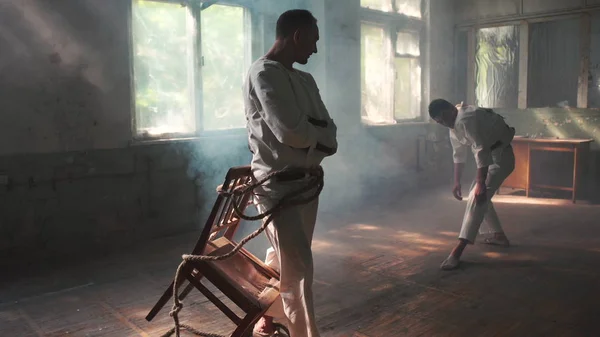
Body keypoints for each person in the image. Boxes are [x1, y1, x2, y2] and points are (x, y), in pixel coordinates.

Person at [242, 9, 337, 337]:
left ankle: (269, 319)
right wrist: (316, 135)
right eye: (313, 41)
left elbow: (331, 133)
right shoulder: (263, 73)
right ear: (297, 36)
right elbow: (290, 133)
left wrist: (312, 134)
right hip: (277, 189)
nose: (314, 49)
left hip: (306, 186)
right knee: (299, 270)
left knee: (286, 259)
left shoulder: (304, 79)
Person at [428, 99, 516, 271]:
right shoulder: (453, 124)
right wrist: (456, 182)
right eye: (439, 122)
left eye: (442, 120)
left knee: (477, 197)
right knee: (480, 195)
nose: (443, 124)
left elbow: (481, 150)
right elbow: (458, 154)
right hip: (491, 156)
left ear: (448, 112)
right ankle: (498, 236)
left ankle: (458, 251)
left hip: (501, 158)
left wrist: (481, 183)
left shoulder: (466, 119)